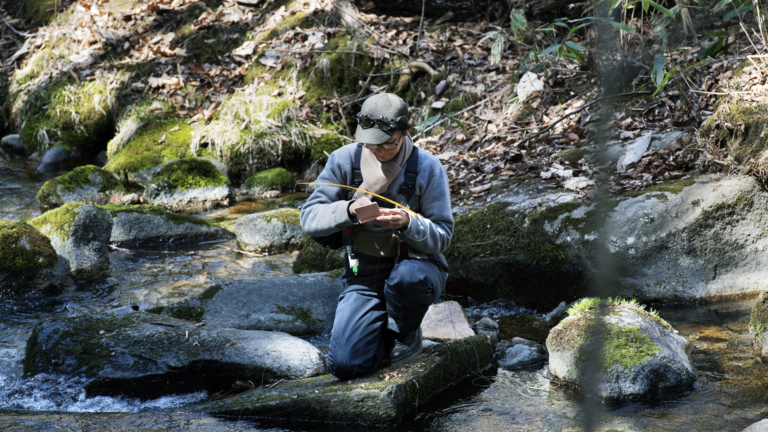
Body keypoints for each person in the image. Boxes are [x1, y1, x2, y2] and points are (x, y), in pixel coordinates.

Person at [300, 93, 454, 380]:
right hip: (365, 272)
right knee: (346, 365)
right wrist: (347, 209)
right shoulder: (344, 160)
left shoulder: (427, 167)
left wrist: (409, 222)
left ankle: (407, 332)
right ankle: (381, 333)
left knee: (407, 280)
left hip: (418, 266)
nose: (379, 150)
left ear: (406, 131)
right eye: (371, 143)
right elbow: (309, 218)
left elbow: (443, 236)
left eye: (388, 144)